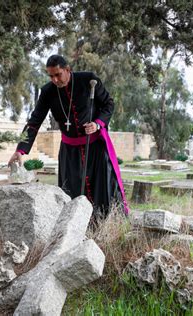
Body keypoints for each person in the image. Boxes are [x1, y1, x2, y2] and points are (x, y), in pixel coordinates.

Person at [8, 55, 129, 218]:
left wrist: (97, 123)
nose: (55, 80)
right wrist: (21, 150)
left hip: (94, 146)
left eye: (58, 74)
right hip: (69, 152)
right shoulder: (47, 91)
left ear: (67, 70)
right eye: (51, 76)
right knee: (71, 192)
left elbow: (109, 104)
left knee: (102, 189)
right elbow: (34, 121)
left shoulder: (89, 80)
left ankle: (105, 225)